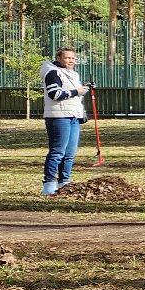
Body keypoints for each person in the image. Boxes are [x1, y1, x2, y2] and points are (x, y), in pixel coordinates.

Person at [39, 47, 94, 195]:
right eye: (67, 58)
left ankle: (65, 183)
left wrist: (84, 89)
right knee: (57, 152)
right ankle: (49, 186)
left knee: (70, 153)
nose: (71, 61)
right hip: (58, 117)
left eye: (73, 58)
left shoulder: (72, 74)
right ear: (59, 58)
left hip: (73, 116)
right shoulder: (52, 72)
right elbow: (54, 94)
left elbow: (74, 94)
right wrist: (77, 91)